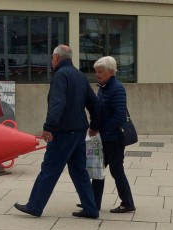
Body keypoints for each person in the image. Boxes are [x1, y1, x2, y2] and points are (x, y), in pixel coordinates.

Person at [14, 44, 99, 219]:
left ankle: (35, 206)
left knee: (50, 169)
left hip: (63, 131)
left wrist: (48, 127)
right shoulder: (79, 75)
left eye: (52, 58)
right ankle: (91, 208)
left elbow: (57, 103)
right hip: (79, 130)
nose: (51, 61)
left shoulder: (60, 76)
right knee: (79, 171)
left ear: (57, 58)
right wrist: (94, 124)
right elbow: (94, 102)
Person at [93, 56, 136, 213]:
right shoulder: (102, 87)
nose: (97, 74)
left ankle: (127, 203)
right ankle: (93, 202)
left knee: (116, 170)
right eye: (96, 72)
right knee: (97, 169)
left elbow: (119, 116)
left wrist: (103, 129)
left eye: (101, 72)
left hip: (114, 138)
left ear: (111, 72)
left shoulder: (117, 88)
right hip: (104, 137)